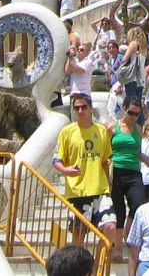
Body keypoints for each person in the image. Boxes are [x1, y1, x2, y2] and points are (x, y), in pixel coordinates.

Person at [54, 93, 114, 246]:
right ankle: (79, 268)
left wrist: (108, 186)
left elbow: (104, 161)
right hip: (78, 191)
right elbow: (56, 160)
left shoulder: (101, 132)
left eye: (83, 107)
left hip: (100, 189)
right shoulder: (66, 132)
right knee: (79, 233)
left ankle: (97, 268)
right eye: (77, 108)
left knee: (110, 227)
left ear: (90, 108)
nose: (80, 111)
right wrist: (66, 170)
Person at [109, 97, 149, 260]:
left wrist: (146, 159)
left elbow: (136, 152)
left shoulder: (138, 129)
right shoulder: (113, 128)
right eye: (131, 112)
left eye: (137, 114)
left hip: (134, 172)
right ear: (124, 109)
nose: (133, 116)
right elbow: (107, 151)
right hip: (117, 172)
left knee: (138, 204)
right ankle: (118, 249)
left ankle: (127, 232)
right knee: (119, 211)